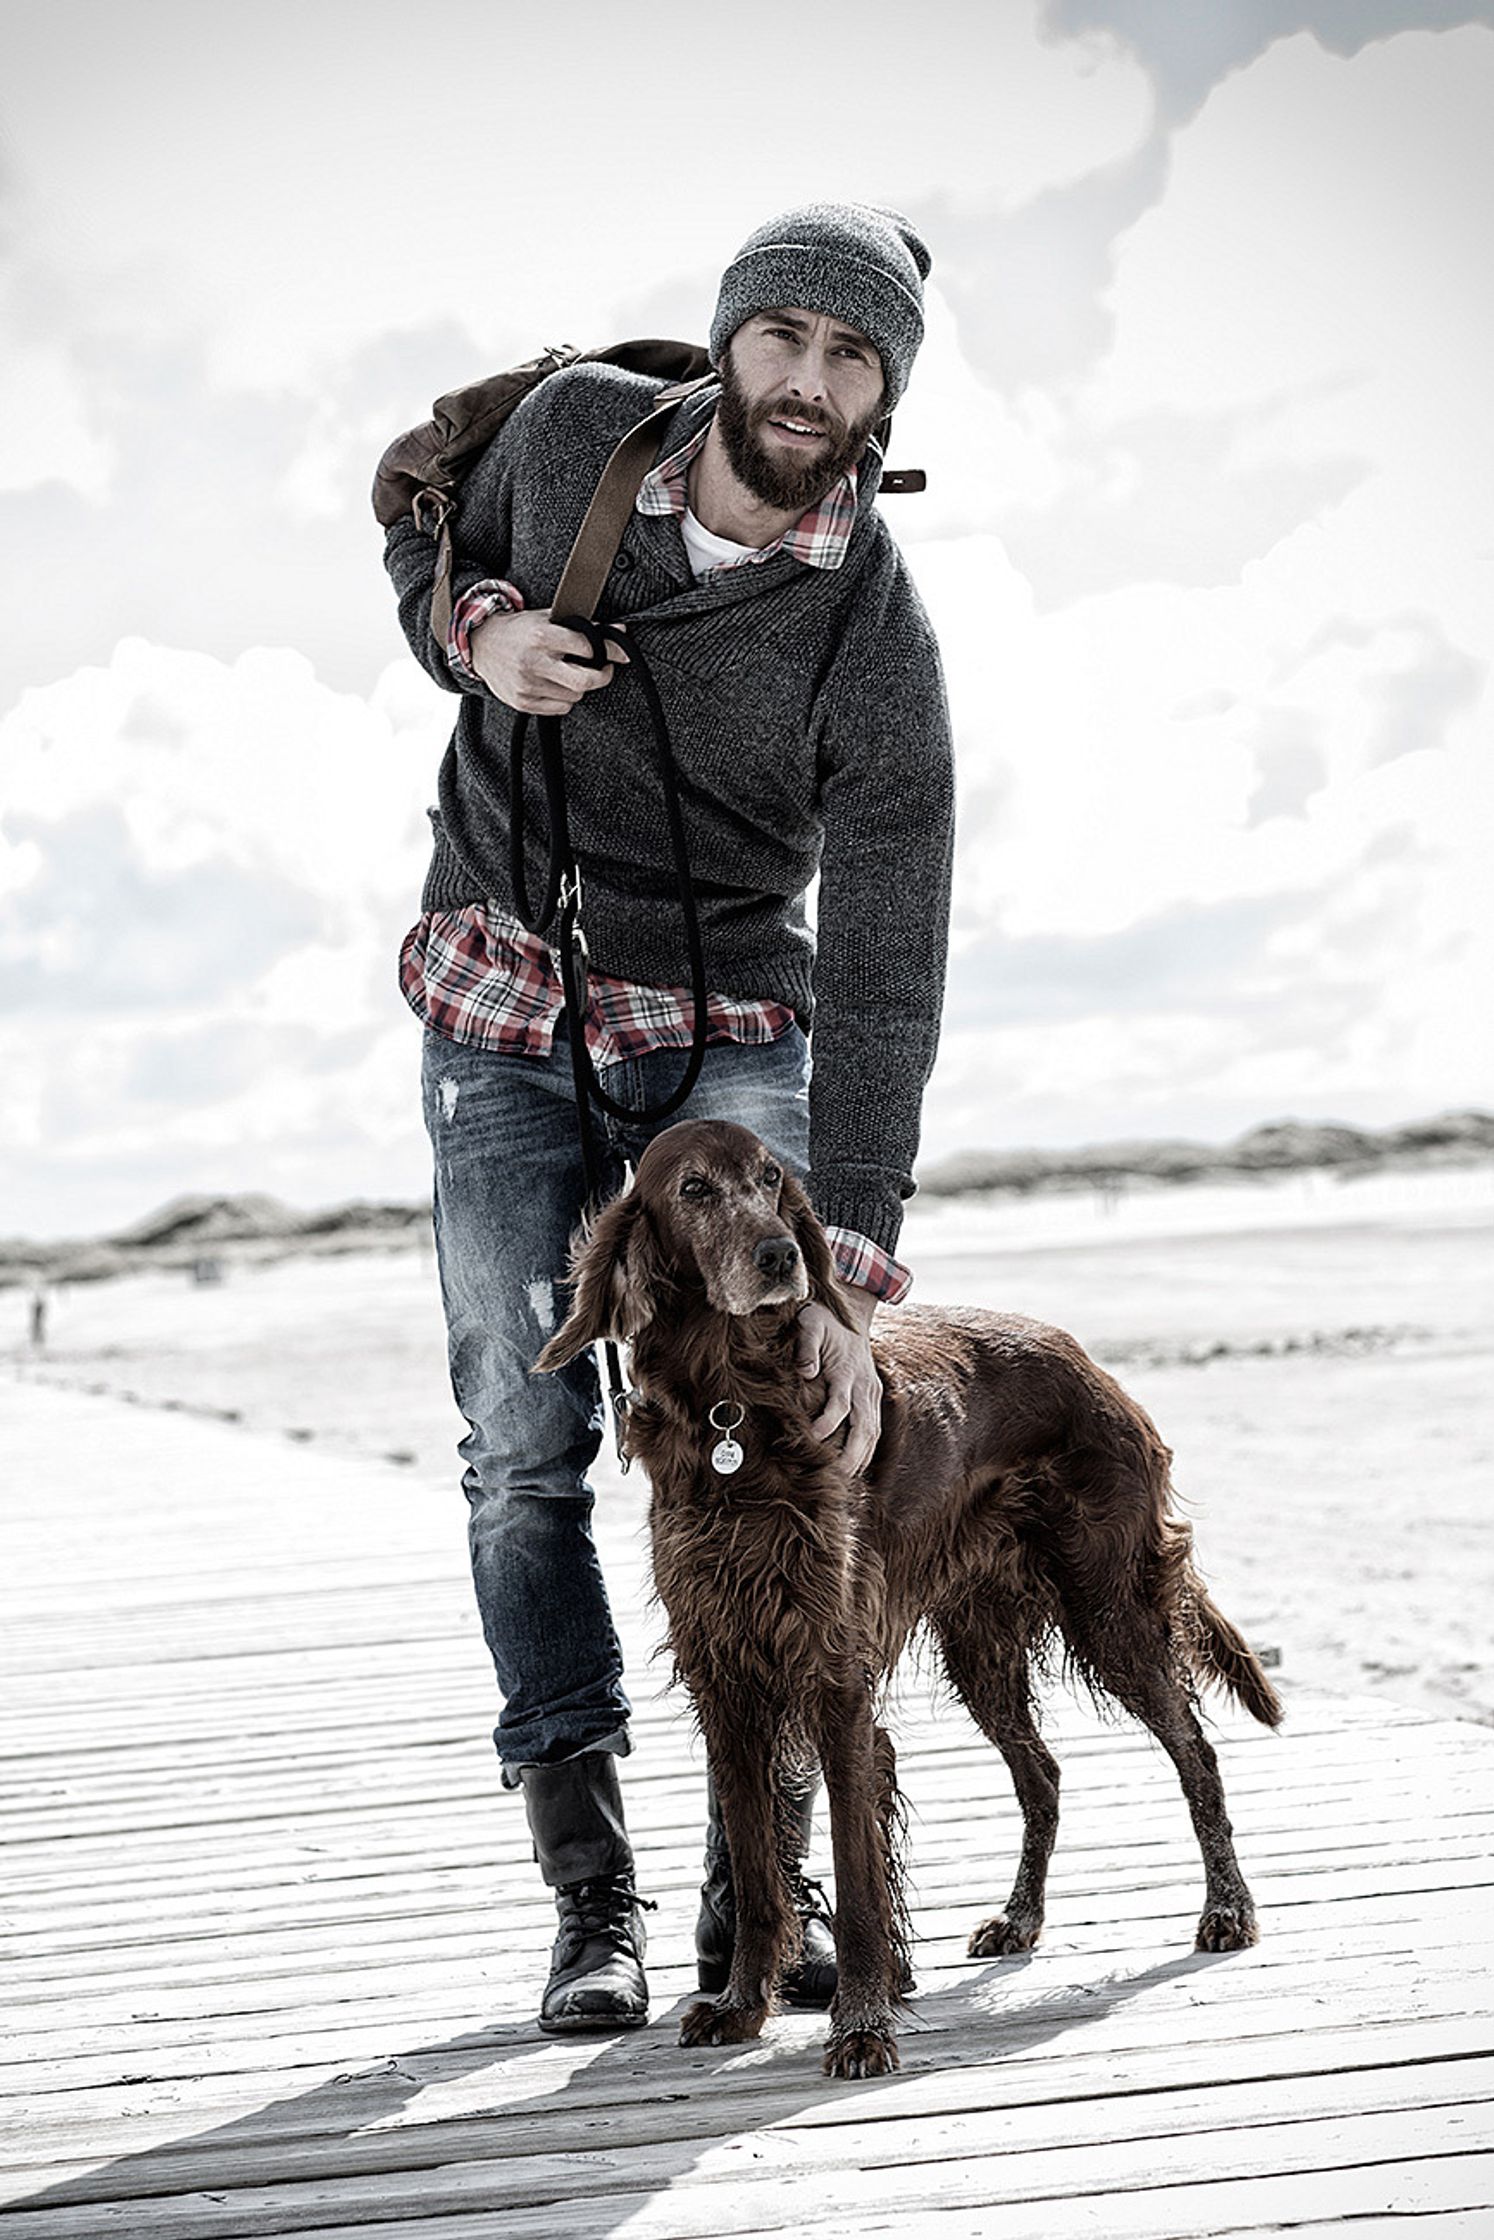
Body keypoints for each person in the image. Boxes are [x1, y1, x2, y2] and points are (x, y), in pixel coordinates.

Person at [384, 202, 955, 2035]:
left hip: (728, 1015)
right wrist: (476, 636)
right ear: (728, 345)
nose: (808, 379)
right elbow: (429, 550)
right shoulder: (568, 435)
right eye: (783, 336)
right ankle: (591, 1894)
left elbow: (885, 943)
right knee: (518, 1438)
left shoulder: (868, 618)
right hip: (505, 987)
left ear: (881, 395)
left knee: (793, 1408)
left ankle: (752, 1892)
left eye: (850, 356)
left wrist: (851, 1234)